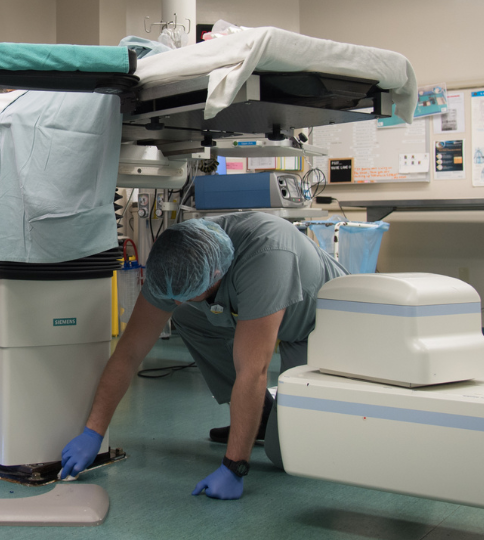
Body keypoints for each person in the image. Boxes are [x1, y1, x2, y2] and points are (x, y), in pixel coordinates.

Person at [60, 212, 347, 499]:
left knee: (284, 454)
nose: (174, 301)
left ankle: (333, 417)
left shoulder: (265, 256)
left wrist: (235, 467)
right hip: (269, 313)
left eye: (184, 294)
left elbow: (253, 369)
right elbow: (130, 351)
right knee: (186, 316)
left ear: (215, 277)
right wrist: (93, 432)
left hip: (321, 327)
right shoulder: (179, 255)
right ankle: (259, 417)